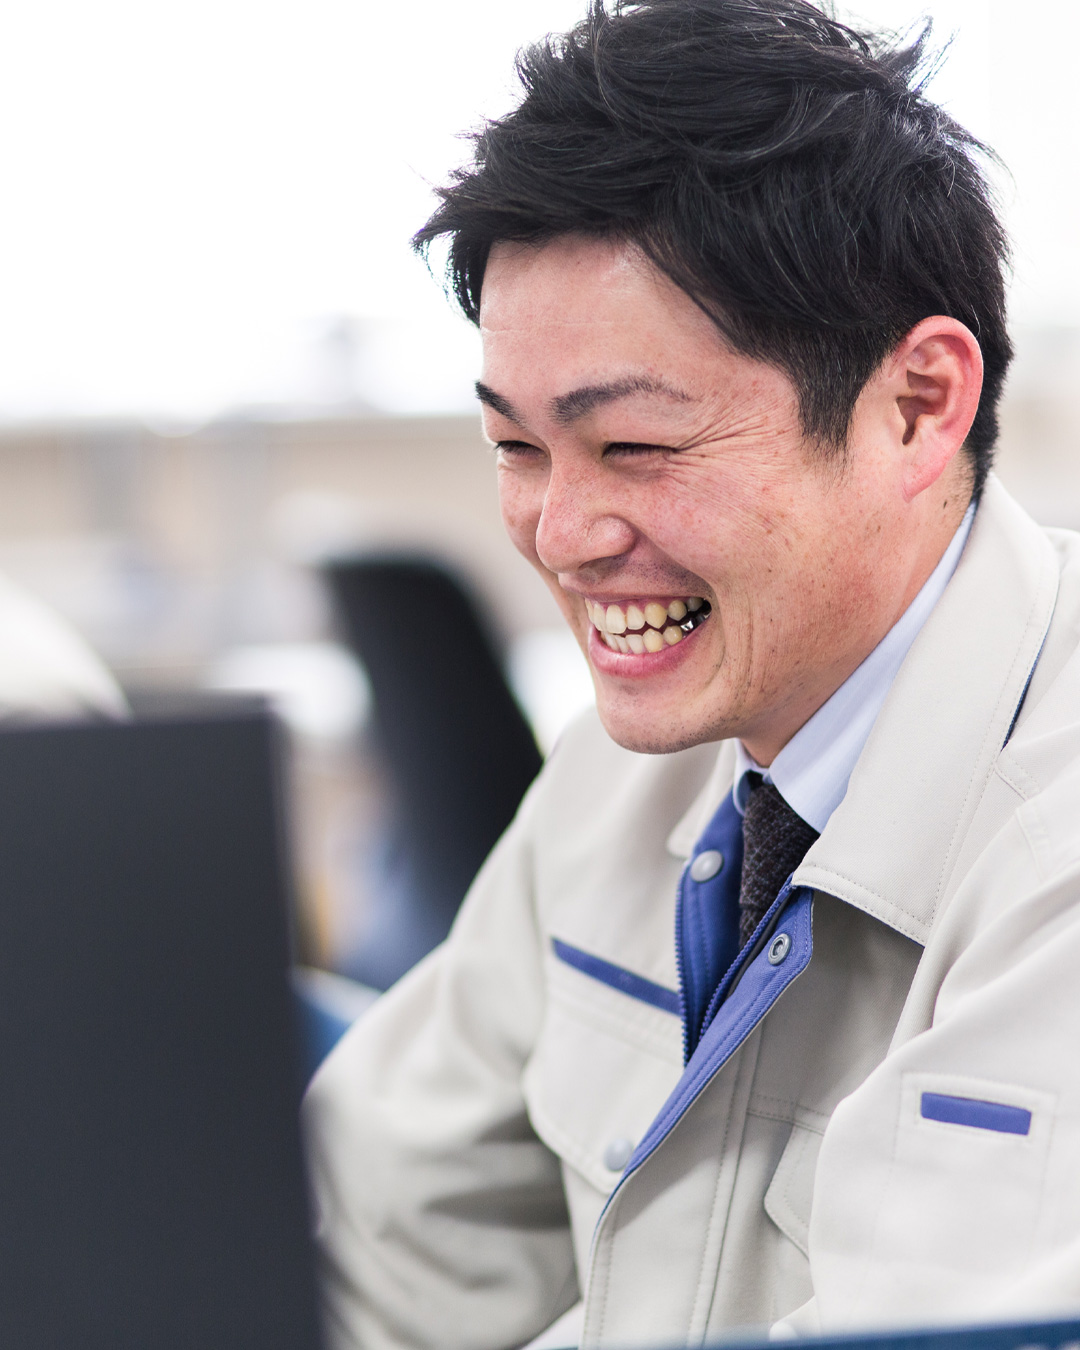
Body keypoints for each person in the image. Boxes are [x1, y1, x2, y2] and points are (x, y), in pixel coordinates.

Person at [302, 1, 1080, 1345]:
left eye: (638, 448)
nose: (560, 535)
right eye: (517, 449)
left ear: (917, 405)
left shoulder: (1051, 854)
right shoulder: (626, 770)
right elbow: (369, 1247)